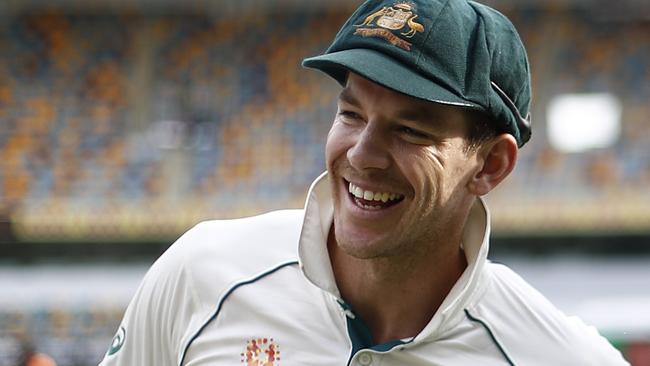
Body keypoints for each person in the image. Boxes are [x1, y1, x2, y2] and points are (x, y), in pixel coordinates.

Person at [100, 0, 628, 365]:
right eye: (350, 114)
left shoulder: (558, 355)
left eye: (410, 129)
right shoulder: (202, 274)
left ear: (490, 165)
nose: (362, 154)